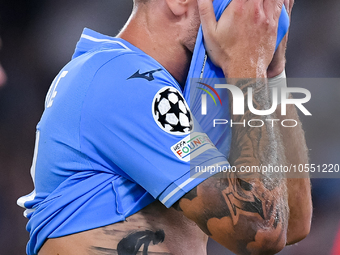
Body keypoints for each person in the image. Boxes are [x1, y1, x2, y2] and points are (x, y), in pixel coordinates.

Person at [17, 0, 312, 254]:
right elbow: (260, 231)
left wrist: (271, 69)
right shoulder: (119, 76)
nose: (254, 16)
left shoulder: (188, 100)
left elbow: (294, 220)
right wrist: (250, 66)